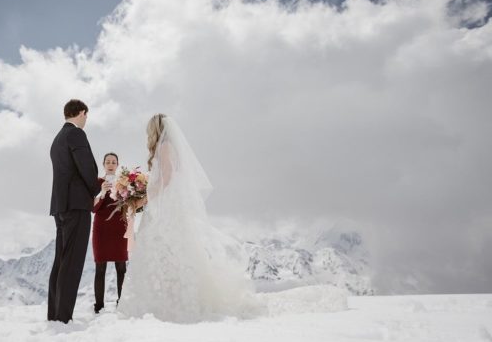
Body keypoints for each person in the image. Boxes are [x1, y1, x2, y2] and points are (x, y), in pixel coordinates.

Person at [116, 114, 348, 323]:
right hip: (165, 208)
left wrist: (145, 195)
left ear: (155, 130)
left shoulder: (165, 146)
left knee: (166, 252)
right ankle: (168, 302)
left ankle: (168, 304)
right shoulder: (168, 147)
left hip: (164, 209)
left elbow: (166, 178)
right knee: (170, 254)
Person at [48, 99, 101, 323]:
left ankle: (55, 314)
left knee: (61, 260)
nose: (86, 119)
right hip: (77, 204)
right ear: (81, 112)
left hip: (60, 205)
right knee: (72, 261)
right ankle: (63, 318)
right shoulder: (76, 134)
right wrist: (97, 187)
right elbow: (86, 166)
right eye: (86, 115)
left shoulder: (57, 139)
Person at [91, 152, 128, 313]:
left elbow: (128, 205)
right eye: (108, 161)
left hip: (119, 227)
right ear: (103, 164)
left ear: (117, 164)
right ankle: (99, 305)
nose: (111, 164)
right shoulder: (97, 182)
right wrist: (102, 192)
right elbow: (93, 208)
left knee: (121, 267)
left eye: (114, 162)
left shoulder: (124, 182)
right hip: (101, 228)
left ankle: (122, 302)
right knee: (100, 268)